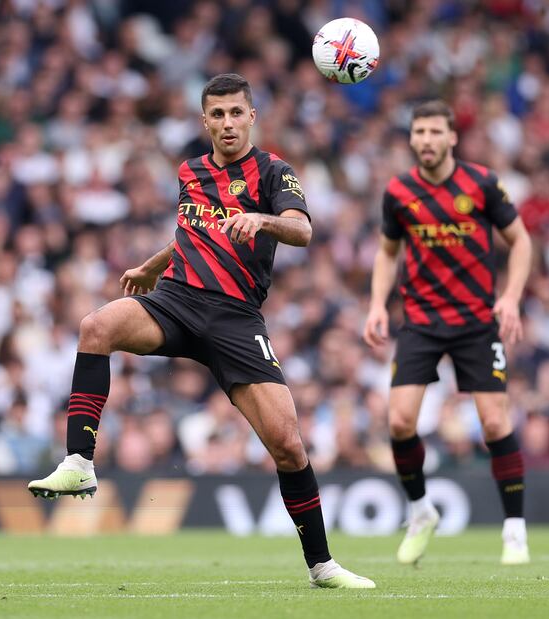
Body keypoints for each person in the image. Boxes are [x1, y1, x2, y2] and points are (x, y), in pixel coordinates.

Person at [29, 74, 374, 589]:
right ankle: (79, 460)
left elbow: (302, 230)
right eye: (217, 115)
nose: (228, 123)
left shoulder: (275, 171)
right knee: (95, 326)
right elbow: (194, 230)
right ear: (204, 120)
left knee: (287, 445)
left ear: (252, 115)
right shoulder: (191, 171)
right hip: (176, 300)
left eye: (236, 113)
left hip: (235, 318)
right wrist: (152, 266)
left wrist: (262, 220)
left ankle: (322, 566)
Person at [363, 100, 533, 566]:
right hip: (420, 321)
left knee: (495, 423)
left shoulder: (481, 184)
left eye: (435, 132)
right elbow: (386, 252)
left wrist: (512, 297)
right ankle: (420, 511)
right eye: (419, 132)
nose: (426, 140)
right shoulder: (398, 191)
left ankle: (514, 529)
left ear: (452, 137)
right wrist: (377, 303)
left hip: (477, 321)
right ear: (412, 138)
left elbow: (521, 241)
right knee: (399, 422)